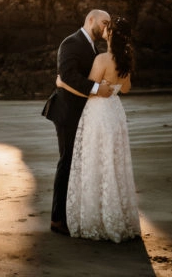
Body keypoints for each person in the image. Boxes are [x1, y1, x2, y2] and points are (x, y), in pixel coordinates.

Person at [59, 16, 141, 242]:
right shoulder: (125, 61)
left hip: (99, 114)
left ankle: (98, 219)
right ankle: (118, 217)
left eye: (108, 27)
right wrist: (111, 85)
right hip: (115, 113)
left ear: (112, 34)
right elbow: (125, 89)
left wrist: (61, 83)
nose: (105, 28)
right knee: (114, 163)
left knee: (96, 162)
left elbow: (89, 89)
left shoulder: (102, 59)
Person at [42, 9, 113, 236]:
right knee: (67, 161)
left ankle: (74, 213)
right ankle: (57, 219)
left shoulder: (94, 48)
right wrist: (96, 90)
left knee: (78, 163)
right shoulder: (71, 42)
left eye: (109, 24)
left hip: (82, 112)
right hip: (66, 112)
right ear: (90, 19)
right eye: (104, 23)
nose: (106, 27)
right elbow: (67, 75)